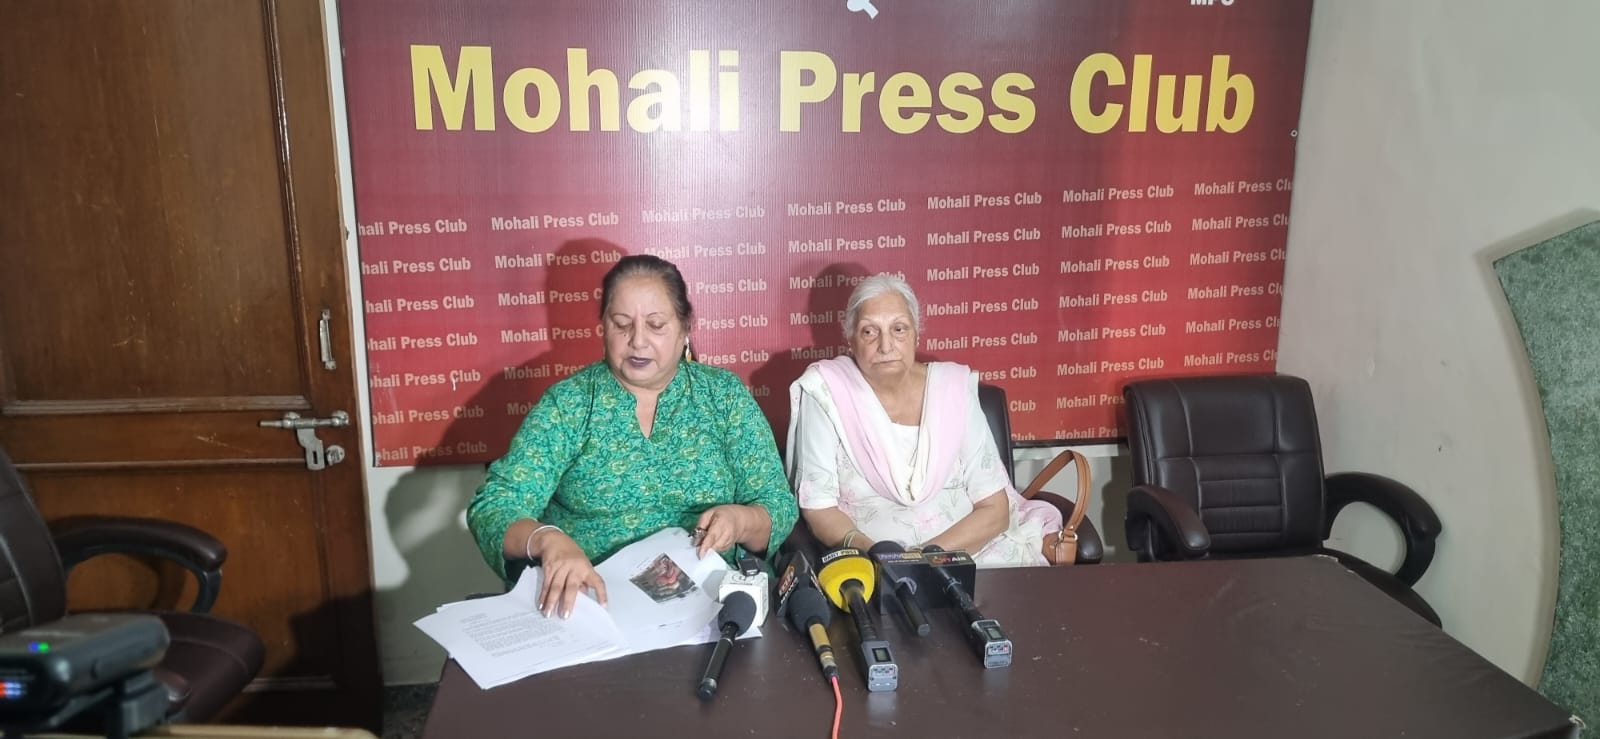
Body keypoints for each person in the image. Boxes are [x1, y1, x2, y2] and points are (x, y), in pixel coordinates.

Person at [468, 254, 799, 618]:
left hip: (711, 604)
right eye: (622, 324)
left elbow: (777, 505)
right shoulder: (570, 404)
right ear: (603, 327)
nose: (638, 341)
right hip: (594, 606)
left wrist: (740, 521)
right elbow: (495, 506)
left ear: (685, 328)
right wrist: (547, 540)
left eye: (656, 325)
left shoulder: (723, 397)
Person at [786, 274, 1061, 567]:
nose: (886, 346)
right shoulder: (827, 393)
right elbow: (819, 507)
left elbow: (995, 508)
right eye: (869, 331)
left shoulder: (952, 390)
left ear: (916, 334)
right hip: (875, 567)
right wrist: (882, 558)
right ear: (851, 340)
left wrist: (921, 559)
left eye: (899, 329)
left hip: (975, 557)